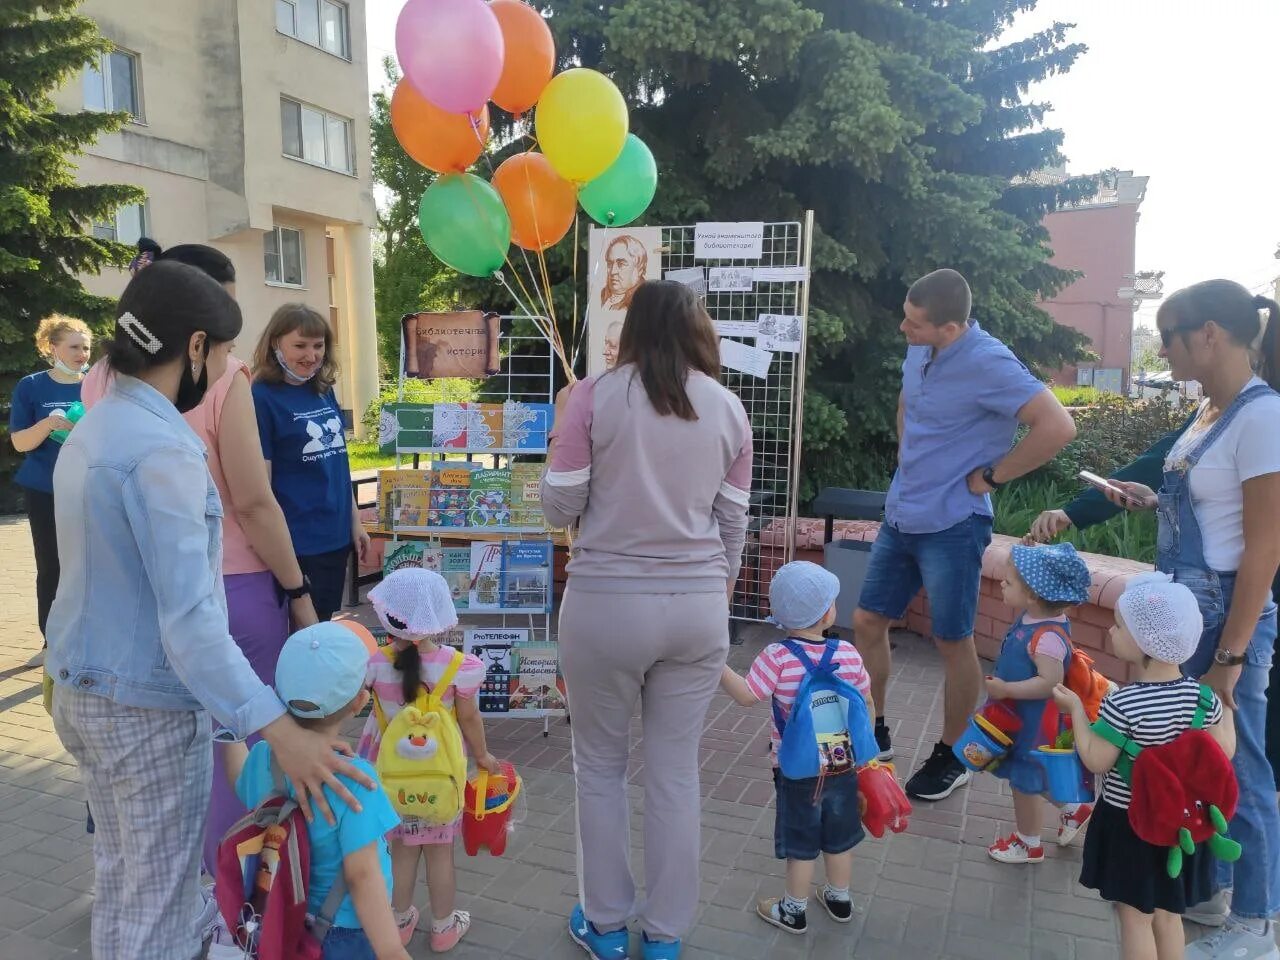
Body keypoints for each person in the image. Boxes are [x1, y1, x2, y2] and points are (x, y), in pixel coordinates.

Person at [45, 261, 373, 960]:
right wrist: (279, 729)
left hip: (83, 688)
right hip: (145, 706)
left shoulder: (98, 425)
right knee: (159, 911)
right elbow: (192, 621)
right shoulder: (164, 449)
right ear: (195, 347)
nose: (226, 369)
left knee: (126, 885)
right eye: (223, 353)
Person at [79, 241, 321, 872]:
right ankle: (238, 892)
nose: (226, 354)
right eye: (219, 337)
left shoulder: (102, 381)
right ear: (195, 340)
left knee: (143, 830)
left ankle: (201, 889)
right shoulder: (202, 407)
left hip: (117, 619)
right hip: (231, 590)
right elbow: (253, 504)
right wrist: (298, 594)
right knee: (231, 762)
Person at [541, 280, 752, 960]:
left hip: (604, 605)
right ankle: (664, 935)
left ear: (629, 328)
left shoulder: (592, 396)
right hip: (696, 608)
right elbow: (733, 524)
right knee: (676, 773)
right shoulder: (728, 407)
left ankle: (605, 925)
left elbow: (558, 507)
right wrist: (714, 597)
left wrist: (561, 428)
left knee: (599, 768)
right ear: (698, 330)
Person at [1098, 281, 1280, 958]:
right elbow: (1213, 508)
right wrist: (1153, 499)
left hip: (1227, 615)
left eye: (1169, 336)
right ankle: (1217, 887)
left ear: (1209, 333)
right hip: (1189, 607)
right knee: (1191, 754)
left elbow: (1264, 548)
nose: (1164, 349)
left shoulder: (1262, 417)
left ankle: (1258, 921)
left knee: (1242, 764)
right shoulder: (1209, 410)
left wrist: (1231, 658)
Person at [853, 268, 1077, 801]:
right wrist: (909, 457)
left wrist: (994, 476)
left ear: (951, 328)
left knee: (952, 641)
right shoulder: (920, 350)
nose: (903, 329)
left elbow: (1058, 425)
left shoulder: (989, 362)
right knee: (866, 620)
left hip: (953, 524)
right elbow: (907, 402)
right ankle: (874, 728)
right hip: (903, 514)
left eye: (914, 323)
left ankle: (952, 755)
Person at [1054, 574, 1235, 960]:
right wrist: (1228, 711)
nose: (1111, 630)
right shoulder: (1204, 699)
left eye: (1119, 625)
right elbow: (1224, 752)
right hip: (1182, 825)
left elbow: (1096, 759)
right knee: (1169, 914)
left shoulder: (1123, 703)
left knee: (1135, 917)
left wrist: (1076, 711)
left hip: (1131, 823)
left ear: (1144, 641)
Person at [224, 622, 409, 960]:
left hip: (284, 918)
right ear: (360, 702)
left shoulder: (263, 759)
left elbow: (238, 776)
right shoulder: (356, 779)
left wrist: (230, 721)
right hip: (343, 931)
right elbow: (362, 875)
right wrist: (391, 949)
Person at [718, 562, 872, 936]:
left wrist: (715, 665)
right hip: (840, 759)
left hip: (796, 767)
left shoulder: (777, 656)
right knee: (838, 836)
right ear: (827, 613)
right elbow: (866, 700)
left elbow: (747, 695)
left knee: (802, 841)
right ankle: (839, 899)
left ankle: (793, 910)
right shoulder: (848, 652)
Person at [356, 568, 498, 953]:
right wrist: (482, 755)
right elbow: (469, 718)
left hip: (391, 777)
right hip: (440, 776)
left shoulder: (375, 664)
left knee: (402, 849)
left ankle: (399, 922)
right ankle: (443, 927)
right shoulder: (459, 667)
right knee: (439, 852)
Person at [252, 303, 370, 623]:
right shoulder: (260, 397)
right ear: (275, 344)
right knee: (302, 636)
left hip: (335, 538)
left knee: (323, 623)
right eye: (300, 345)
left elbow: (339, 464)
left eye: (318, 346)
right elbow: (260, 485)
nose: (311, 355)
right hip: (297, 543)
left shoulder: (322, 389)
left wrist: (354, 521)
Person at [983, 543, 1095, 864]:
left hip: (1033, 724)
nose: (1001, 584)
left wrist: (1007, 689)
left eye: (1009, 582)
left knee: (1025, 781)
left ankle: (1028, 844)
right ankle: (1074, 808)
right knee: (1032, 775)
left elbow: (1049, 682)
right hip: (1020, 717)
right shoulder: (1033, 618)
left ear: (1033, 595)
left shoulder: (1047, 637)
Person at [8, 315, 91, 638]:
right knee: (51, 566)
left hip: (89, 487)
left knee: (91, 563)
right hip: (45, 489)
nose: (82, 354)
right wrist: (49, 424)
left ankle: (89, 636)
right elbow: (20, 443)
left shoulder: (97, 385)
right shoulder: (31, 386)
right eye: (74, 347)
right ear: (52, 347)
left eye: (85, 347)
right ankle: (51, 640)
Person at [600, 235, 647, 310]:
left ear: (639, 268)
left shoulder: (644, 298)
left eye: (621, 264)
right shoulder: (602, 295)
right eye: (610, 264)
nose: (613, 272)